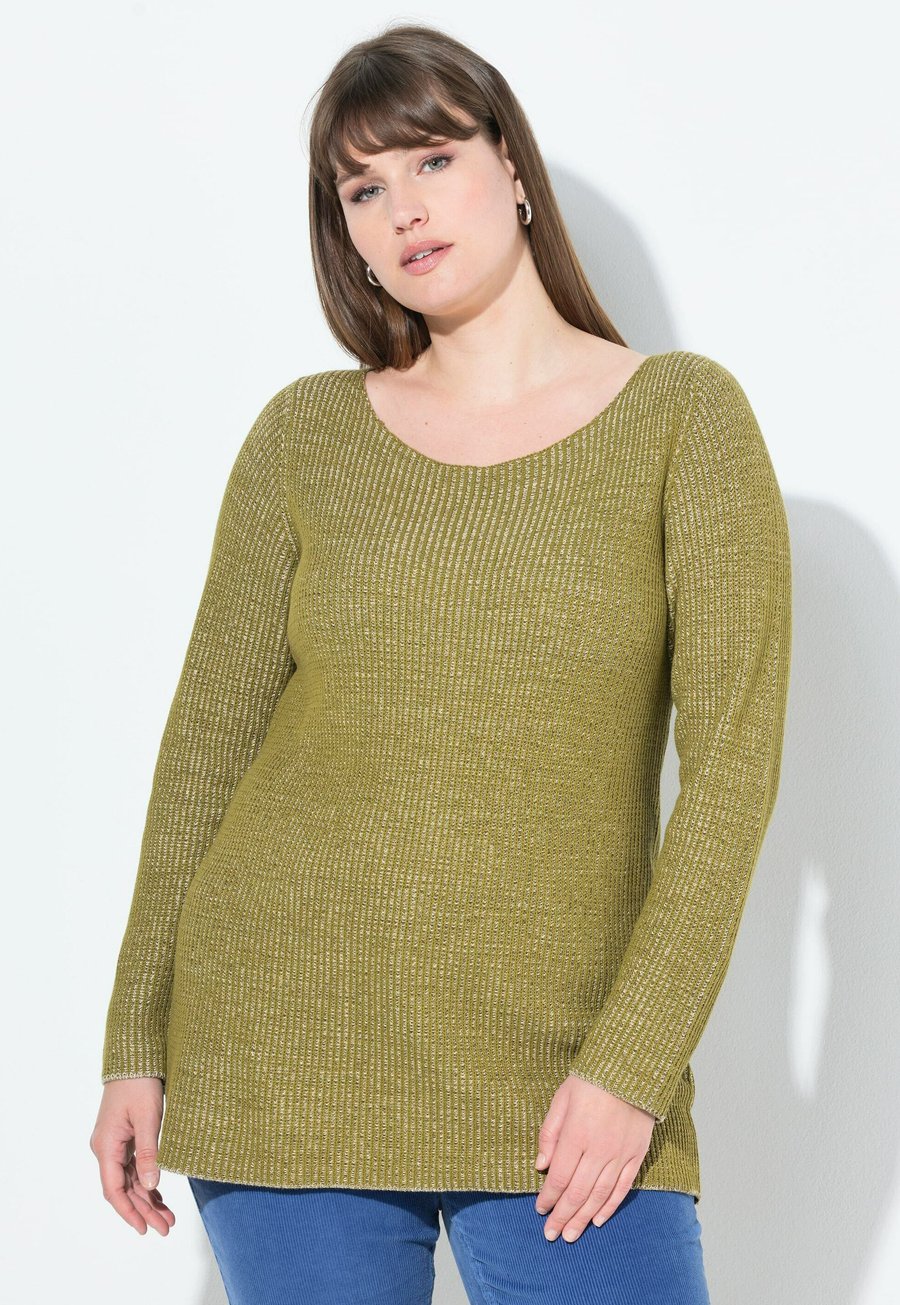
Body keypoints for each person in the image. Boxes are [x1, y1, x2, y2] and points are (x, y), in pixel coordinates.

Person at [90, 21, 792, 1305]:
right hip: (287, 1057)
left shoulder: (684, 419)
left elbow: (733, 776)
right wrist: (135, 1035)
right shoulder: (305, 438)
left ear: (511, 167)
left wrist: (632, 1065)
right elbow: (204, 756)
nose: (402, 210)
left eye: (430, 160)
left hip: (570, 1078)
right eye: (361, 189)